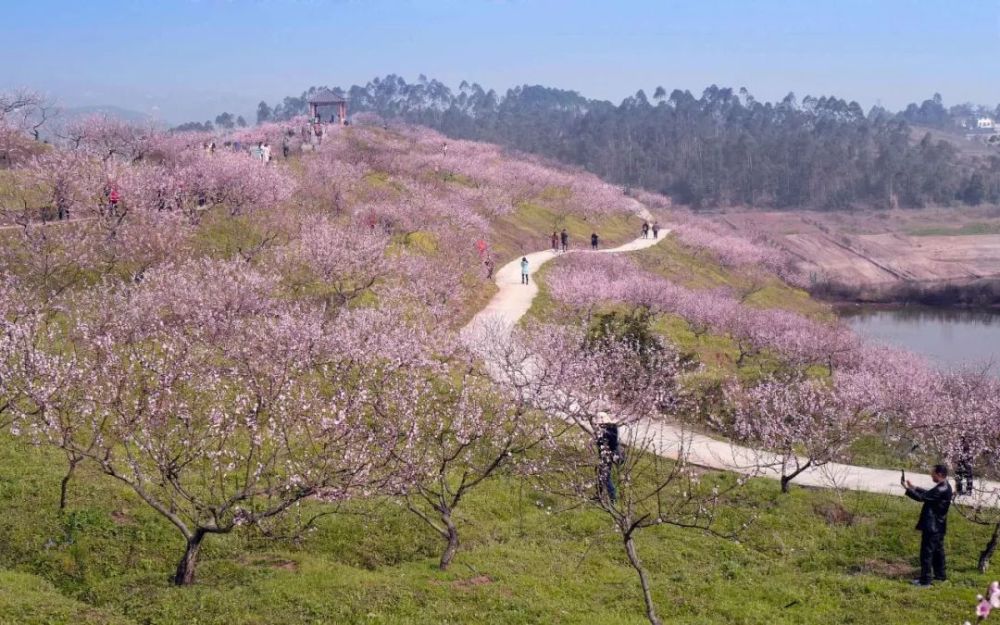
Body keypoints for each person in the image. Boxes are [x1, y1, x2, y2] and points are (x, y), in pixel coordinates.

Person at [903, 464, 953, 586]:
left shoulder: (941, 489)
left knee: (926, 553)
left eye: (933, 473)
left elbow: (921, 498)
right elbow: (928, 493)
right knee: (938, 551)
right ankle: (940, 576)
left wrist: (907, 489)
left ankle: (925, 580)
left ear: (940, 474)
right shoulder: (945, 486)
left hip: (932, 526)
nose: (931, 475)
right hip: (939, 526)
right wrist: (914, 487)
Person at [596, 423, 622, 503]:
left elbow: (613, 444)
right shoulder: (605, 429)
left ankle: (613, 498)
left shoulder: (611, 429)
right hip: (604, 455)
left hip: (608, 456)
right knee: (600, 475)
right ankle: (599, 496)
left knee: (606, 477)